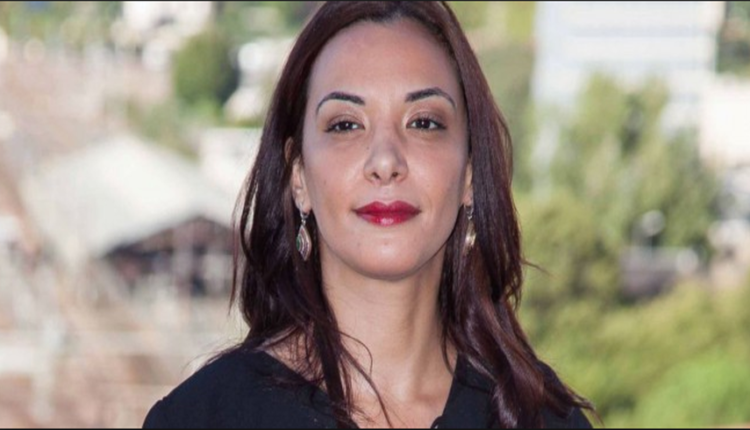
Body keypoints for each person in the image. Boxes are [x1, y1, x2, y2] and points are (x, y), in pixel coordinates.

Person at [144, 2, 594, 428]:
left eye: (423, 122)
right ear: (299, 176)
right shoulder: (201, 418)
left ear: (470, 174)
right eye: (346, 125)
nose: (385, 161)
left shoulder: (541, 418)